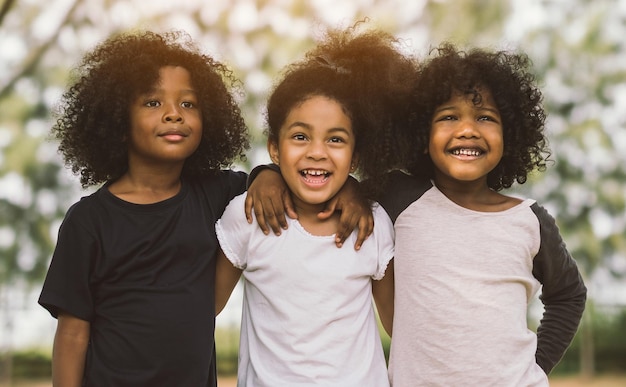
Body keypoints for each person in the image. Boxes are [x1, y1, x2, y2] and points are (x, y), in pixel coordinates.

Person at [37, 30, 371, 387]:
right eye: (153, 103)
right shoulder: (88, 221)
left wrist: (342, 187)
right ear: (118, 119)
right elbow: (72, 335)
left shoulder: (215, 194)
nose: (173, 115)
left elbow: (294, 178)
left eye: (188, 104)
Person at [214, 26, 416, 386]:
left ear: (355, 158)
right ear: (275, 149)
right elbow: (202, 310)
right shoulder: (247, 216)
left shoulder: (373, 223)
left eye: (335, 139)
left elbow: (403, 327)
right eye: (301, 136)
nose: (317, 151)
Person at [379, 43, 587, 386]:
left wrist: (535, 366)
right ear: (421, 133)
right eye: (448, 116)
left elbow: (569, 294)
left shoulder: (529, 221)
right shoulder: (398, 197)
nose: (467, 129)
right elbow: (324, 183)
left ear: (511, 133)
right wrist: (267, 175)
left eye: (485, 117)